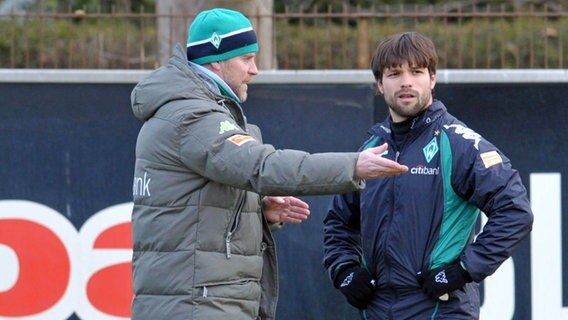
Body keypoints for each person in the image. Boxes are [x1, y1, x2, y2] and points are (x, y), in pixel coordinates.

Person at [129, 7, 408, 320]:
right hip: (197, 303)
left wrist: (256, 209)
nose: (255, 70)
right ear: (217, 61)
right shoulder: (192, 117)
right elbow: (261, 166)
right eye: (246, 58)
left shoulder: (191, 111)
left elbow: (203, 198)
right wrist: (353, 166)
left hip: (202, 298)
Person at [322, 32, 533, 319]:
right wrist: (345, 270)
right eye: (395, 73)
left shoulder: (458, 143)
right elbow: (338, 222)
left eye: (417, 71)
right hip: (377, 310)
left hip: (440, 309)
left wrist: (463, 270)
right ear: (379, 84)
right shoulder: (371, 148)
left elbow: (515, 211)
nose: (406, 81)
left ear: (432, 79)